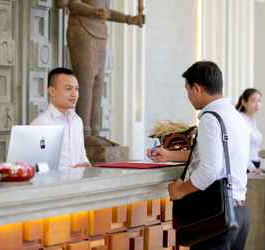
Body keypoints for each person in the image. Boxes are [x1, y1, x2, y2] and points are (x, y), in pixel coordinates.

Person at [147, 61, 250, 250]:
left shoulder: (210, 118)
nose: (188, 97)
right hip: (239, 212)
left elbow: (209, 170)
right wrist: (169, 155)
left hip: (216, 214)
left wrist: (180, 190)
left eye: (187, 90)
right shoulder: (235, 116)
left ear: (197, 88)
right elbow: (213, 154)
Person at [56, 0, 144, 138]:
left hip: (100, 34)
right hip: (82, 29)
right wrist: (93, 12)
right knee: (85, 82)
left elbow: (105, 12)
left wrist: (130, 19)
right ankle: (83, 132)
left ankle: (94, 131)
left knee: (98, 84)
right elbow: (70, 3)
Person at [31, 67, 91, 169]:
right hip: (55, 184)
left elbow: (82, 157)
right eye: (68, 89)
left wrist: (86, 166)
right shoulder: (41, 124)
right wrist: (71, 171)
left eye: (76, 89)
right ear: (52, 91)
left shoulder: (77, 121)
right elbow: (36, 166)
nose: (74, 94)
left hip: (78, 183)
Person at [236, 88, 263, 173]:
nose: (257, 104)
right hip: (246, 166)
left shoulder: (252, 120)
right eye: (253, 101)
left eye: (259, 101)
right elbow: (239, 148)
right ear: (244, 102)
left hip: (255, 164)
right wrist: (252, 168)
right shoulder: (240, 119)